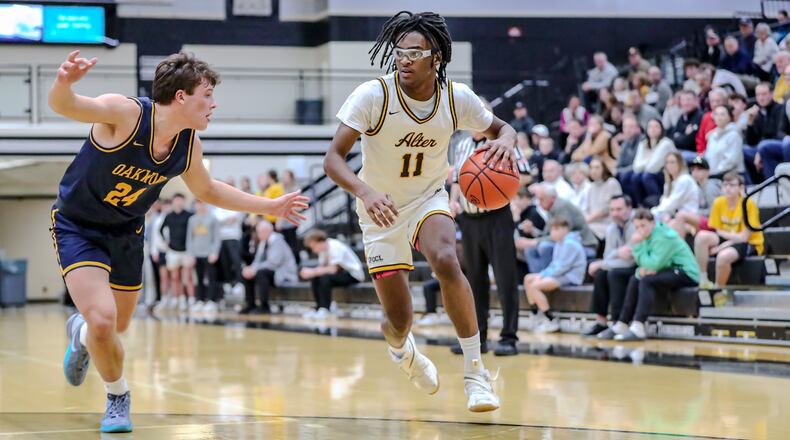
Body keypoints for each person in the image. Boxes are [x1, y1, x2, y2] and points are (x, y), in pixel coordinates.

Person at [48, 51, 308, 432]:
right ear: (182, 97)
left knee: (112, 328)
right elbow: (65, 105)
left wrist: (271, 205)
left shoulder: (189, 145)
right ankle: (117, 396)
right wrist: (65, 81)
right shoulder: (127, 114)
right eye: (207, 94)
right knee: (103, 321)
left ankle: (80, 333)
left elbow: (208, 191)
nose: (214, 103)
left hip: (127, 231)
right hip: (78, 226)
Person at [323, 11, 509, 412]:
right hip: (380, 210)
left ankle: (476, 373)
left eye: (414, 52)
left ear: (435, 57)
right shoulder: (374, 95)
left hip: (428, 198)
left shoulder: (456, 98)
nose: (403, 58)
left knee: (445, 258)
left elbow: (502, 129)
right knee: (399, 319)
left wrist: (506, 144)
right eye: (399, 51)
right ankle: (402, 351)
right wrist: (365, 191)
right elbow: (333, 160)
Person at [449, 128, 521, 356]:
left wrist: (495, 181)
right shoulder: (461, 145)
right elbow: (457, 180)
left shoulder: (504, 143)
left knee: (505, 279)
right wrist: (453, 202)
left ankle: (509, 337)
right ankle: (478, 338)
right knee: (474, 282)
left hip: (497, 218)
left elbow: (525, 174)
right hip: (469, 220)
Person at [604, 209, 699, 341]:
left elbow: (653, 264)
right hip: (669, 270)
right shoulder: (647, 237)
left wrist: (637, 246)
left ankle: (638, 327)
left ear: (653, 223)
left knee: (646, 280)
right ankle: (622, 323)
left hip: (686, 273)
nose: (640, 230)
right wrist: (641, 271)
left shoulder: (663, 236)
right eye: (637, 227)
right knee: (635, 278)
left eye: (643, 225)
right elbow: (647, 266)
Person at [694, 173, 764, 295]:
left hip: (749, 243)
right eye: (725, 185)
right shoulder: (718, 202)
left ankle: (718, 291)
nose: (727, 188)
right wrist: (726, 239)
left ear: (740, 188)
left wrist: (721, 247)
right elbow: (718, 230)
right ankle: (703, 279)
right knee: (701, 237)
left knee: (723, 256)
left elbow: (744, 237)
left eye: (732, 185)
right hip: (730, 237)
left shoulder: (748, 204)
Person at [582, 194, 636, 338]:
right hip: (620, 265)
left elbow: (632, 258)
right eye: (612, 210)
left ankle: (619, 322)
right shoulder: (611, 228)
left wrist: (611, 258)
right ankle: (601, 322)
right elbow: (608, 255)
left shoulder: (637, 224)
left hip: (639, 265)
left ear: (629, 209)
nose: (615, 213)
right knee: (601, 273)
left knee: (613, 273)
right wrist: (617, 255)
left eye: (619, 209)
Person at [522, 216, 587, 333]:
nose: (553, 232)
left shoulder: (570, 243)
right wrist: (542, 274)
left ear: (565, 229)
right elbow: (554, 265)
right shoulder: (559, 243)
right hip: (561, 274)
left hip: (571, 276)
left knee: (534, 285)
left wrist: (542, 276)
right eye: (552, 229)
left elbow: (563, 267)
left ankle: (550, 319)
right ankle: (536, 315)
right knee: (528, 279)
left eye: (556, 229)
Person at [522, 185, 598, 273]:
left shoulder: (561, 207)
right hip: (564, 244)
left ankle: (547, 280)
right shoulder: (551, 209)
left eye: (542, 199)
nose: (539, 203)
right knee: (530, 250)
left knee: (545, 247)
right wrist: (533, 231)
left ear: (552, 198)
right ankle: (538, 278)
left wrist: (534, 242)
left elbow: (561, 235)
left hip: (583, 244)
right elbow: (548, 234)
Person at [300, 230, 364, 319]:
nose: (314, 250)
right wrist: (311, 273)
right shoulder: (323, 251)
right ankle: (319, 307)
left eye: (314, 247)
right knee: (316, 278)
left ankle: (325, 308)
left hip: (353, 275)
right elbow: (322, 268)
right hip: (340, 274)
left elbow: (333, 269)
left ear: (320, 241)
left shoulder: (335, 246)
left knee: (325, 278)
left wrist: (312, 271)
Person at [241, 221, 298, 314]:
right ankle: (250, 304)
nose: (258, 234)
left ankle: (264, 306)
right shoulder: (263, 243)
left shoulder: (278, 240)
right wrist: (250, 269)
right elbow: (257, 261)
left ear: (267, 231)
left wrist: (254, 270)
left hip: (283, 274)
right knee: (246, 273)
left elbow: (273, 263)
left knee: (261, 273)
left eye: (259, 232)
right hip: (271, 273)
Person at [623, 118, 676, 207]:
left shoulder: (666, 143)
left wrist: (646, 162)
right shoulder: (643, 144)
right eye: (650, 127)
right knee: (634, 176)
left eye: (656, 126)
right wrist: (649, 161)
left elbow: (652, 168)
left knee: (646, 176)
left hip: (666, 176)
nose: (653, 129)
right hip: (650, 174)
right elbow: (636, 167)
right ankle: (640, 205)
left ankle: (656, 204)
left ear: (661, 129)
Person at [160, 193, 195, 311]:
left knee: (187, 276)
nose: (179, 202)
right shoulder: (168, 216)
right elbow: (161, 229)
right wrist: (166, 241)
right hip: (173, 251)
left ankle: (190, 299)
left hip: (186, 251)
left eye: (181, 200)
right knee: (175, 277)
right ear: (173, 202)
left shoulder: (190, 215)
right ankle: (177, 299)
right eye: (177, 200)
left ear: (184, 201)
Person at [671, 156, 721, 239]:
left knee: (681, 215)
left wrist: (695, 212)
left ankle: (681, 250)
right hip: (703, 219)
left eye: (699, 169)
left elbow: (714, 211)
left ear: (708, 172)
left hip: (714, 222)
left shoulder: (710, 186)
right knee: (673, 223)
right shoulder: (697, 186)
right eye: (693, 169)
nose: (695, 172)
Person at [186, 199, 221, 313]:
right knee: (199, 278)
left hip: (209, 253)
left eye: (202, 203)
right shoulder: (192, 219)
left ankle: (212, 301)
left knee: (211, 278)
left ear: (206, 204)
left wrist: (214, 252)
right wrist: (191, 254)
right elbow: (189, 238)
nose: (200, 206)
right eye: (198, 203)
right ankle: (200, 300)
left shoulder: (213, 219)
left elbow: (216, 238)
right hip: (197, 253)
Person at [652, 151, 700, 222]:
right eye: (667, 163)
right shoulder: (669, 182)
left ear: (680, 164)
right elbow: (664, 200)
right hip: (675, 214)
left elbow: (672, 203)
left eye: (672, 162)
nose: (669, 165)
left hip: (689, 216)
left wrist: (654, 211)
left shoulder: (685, 179)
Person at [584, 158, 622, 240]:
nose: (593, 171)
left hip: (606, 224)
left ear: (604, 169)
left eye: (597, 167)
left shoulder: (612, 183)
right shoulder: (590, 187)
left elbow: (607, 209)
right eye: (591, 168)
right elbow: (587, 208)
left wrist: (587, 220)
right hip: (592, 223)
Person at [704, 106, 745, 178]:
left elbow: (731, 161)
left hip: (731, 177)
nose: (719, 117)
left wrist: (714, 173)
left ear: (729, 117)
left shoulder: (734, 135)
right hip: (713, 175)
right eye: (716, 114)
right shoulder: (712, 136)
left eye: (722, 114)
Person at [669, 90, 703, 160]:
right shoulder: (682, 117)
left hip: (696, 154)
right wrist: (685, 134)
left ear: (695, 101)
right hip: (682, 151)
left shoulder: (700, 116)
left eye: (688, 100)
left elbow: (689, 142)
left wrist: (680, 135)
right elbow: (673, 137)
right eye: (683, 100)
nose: (686, 103)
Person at [276, 169, 301, 264]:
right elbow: (280, 206)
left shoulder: (295, 189)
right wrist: (279, 221)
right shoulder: (282, 189)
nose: (284, 179)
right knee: (286, 245)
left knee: (293, 244)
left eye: (286, 177)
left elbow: (298, 206)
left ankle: (297, 263)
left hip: (292, 221)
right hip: (284, 222)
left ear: (291, 178)